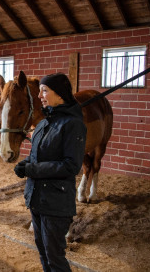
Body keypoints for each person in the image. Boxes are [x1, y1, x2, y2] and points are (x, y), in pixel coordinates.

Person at [13, 73, 87, 272]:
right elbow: (39, 156)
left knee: (55, 256)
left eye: (45, 91)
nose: (40, 96)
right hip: (37, 198)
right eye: (40, 91)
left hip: (56, 202)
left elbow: (71, 165)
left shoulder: (73, 125)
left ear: (60, 95)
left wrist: (32, 169)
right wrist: (25, 164)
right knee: (43, 251)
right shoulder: (43, 124)